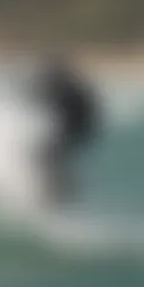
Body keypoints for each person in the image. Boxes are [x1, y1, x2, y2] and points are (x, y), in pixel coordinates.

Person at [33, 55, 100, 205]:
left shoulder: (67, 88)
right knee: (49, 159)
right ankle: (59, 194)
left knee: (47, 158)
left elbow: (84, 114)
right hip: (74, 131)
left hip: (74, 131)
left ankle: (55, 195)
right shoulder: (66, 86)